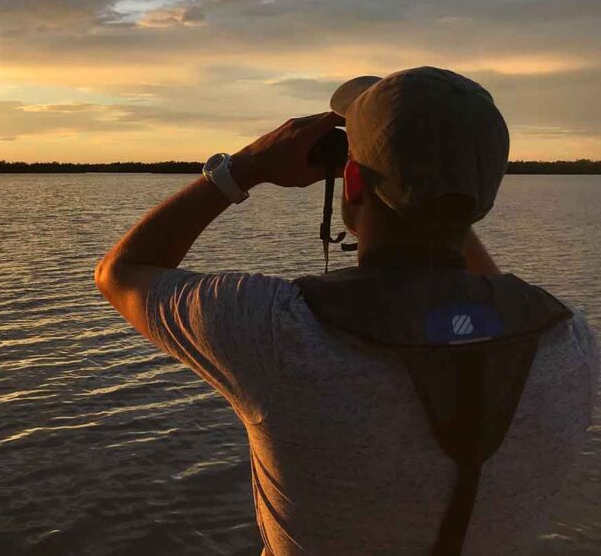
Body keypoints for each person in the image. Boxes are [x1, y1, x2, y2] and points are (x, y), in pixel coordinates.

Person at [94, 66, 598, 555]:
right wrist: (443, 202)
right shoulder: (569, 339)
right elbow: (482, 291)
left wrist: (244, 168)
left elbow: (121, 273)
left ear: (351, 180)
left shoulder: (280, 332)